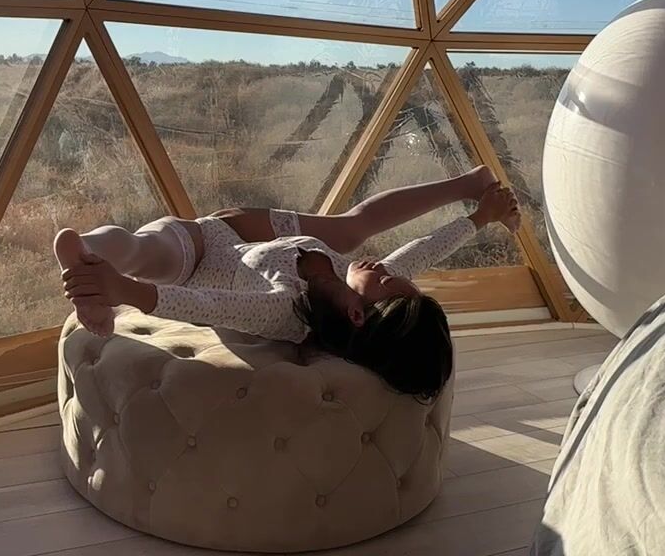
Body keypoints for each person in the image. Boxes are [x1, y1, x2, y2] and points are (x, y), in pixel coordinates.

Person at [53, 165, 520, 400]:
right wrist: (481, 217)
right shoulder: (352, 283)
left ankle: (87, 258)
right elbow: (424, 250)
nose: (387, 268)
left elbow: (206, 305)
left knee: (144, 251)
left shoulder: (286, 312)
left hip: (194, 258)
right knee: (351, 228)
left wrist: (127, 292)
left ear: (357, 314)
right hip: (249, 235)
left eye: (386, 280)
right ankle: (469, 183)